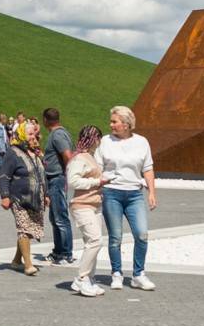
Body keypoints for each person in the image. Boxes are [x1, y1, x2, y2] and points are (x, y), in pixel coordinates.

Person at [97, 105, 156, 291]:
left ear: (126, 124)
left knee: (142, 234)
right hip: (111, 192)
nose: (111, 124)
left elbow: (147, 168)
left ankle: (138, 275)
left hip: (134, 193)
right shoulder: (105, 141)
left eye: (114, 121)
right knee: (115, 237)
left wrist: (152, 192)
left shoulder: (141, 142)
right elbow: (97, 167)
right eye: (111, 121)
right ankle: (116, 273)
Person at [66, 125, 112, 297]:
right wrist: (97, 182)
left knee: (91, 242)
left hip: (94, 204)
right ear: (93, 139)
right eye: (98, 138)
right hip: (82, 205)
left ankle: (89, 279)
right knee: (95, 240)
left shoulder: (89, 157)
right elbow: (72, 181)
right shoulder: (79, 158)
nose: (99, 142)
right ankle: (81, 278)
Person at [0, 122, 45, 275]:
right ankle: (28, 265)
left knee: (29, 230)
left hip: (36, 198)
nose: (33, 137)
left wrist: (47, 194)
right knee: (24, 228)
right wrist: (5, 196)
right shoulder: (13, 152)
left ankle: (17, 260)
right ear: (22, 134)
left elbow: (42, 176)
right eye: (30, 134)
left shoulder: (35, 152)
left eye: (34, 134)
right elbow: (4, 176)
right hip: (19, 199)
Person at [39, 108, 74, 266]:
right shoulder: (59, 133)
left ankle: (65, 253)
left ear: (45, 120)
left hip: (57, 179)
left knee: (60, 217)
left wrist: (67, 176)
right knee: (55, 217)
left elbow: (67, 155)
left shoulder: (58, 134)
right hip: (55, 178)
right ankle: (58, 251)